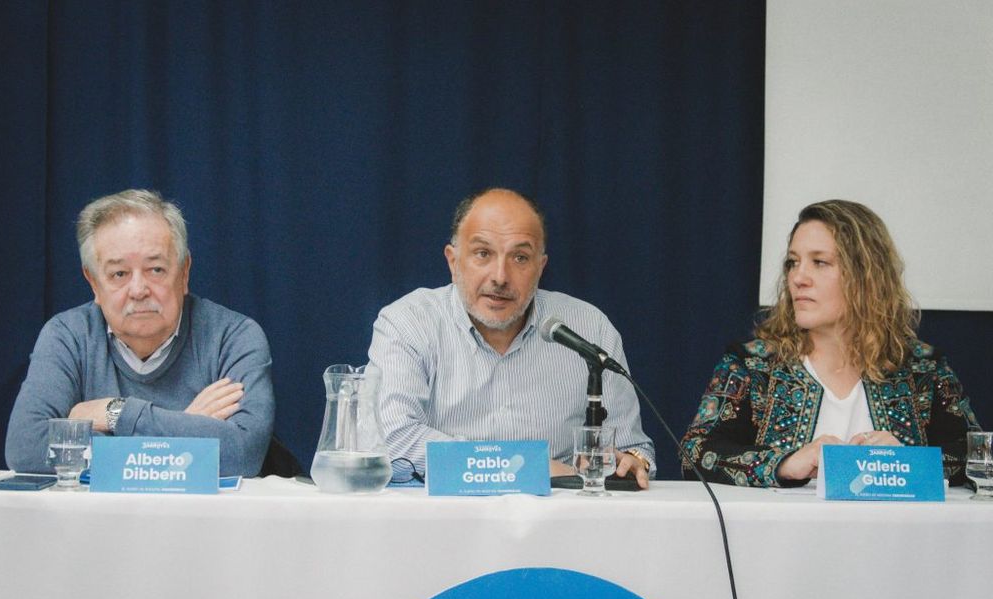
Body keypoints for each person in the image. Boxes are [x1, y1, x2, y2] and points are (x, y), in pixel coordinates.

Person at [367, 187, 654, 487]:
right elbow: (391, 438)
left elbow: (634, 448)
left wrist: (631, 461)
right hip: (443, 512)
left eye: (520, 257)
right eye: (483, 254)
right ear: (453, 261)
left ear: (540, 267)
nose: (500, 277)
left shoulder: (590, 328)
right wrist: (528, 467)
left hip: (560, 512)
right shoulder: (408, 322)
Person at [681, 200, 980, 486]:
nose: (798, 278)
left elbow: (980, 455)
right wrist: (785, 464)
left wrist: (907, 462)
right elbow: (694, 453)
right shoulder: (752, 365)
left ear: (866, 275)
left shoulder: (922, 368)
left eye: (820, 262)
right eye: (793, 262)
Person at [5, 189, 274, 477]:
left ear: (184, 272)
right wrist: (185, 426)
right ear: (94, 283)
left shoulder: (233, 337)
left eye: (155, 269)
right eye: (119, 274)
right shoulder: (67, 335)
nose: (138, 290)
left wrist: (116, 412)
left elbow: (242, 453)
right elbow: (26, 446)